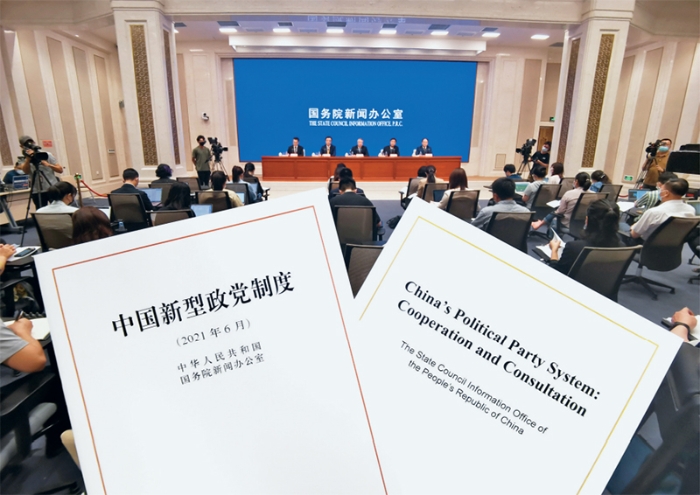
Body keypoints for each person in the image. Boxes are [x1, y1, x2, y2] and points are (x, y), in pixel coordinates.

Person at [548, 199, 622, 274]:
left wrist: (554, 250)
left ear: (587, 220)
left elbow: (556, 274)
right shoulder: (622, 247)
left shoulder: (574, 248)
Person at [630, 178, 695, 240]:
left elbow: (634, 235)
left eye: (661, 190)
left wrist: (633, 227)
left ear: (666, 193)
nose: (659, 192)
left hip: (645, 244)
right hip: (674, 246)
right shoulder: (691, 210)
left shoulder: (653, 212)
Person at [19, 135, 63, 209]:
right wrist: (28, 159)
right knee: (41, 211)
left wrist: (49, 165)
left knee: (58, 209)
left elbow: (60, 169)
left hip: (51, 188)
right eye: (26, 144)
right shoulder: (23, 158)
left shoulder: (46, 154)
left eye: (31, 142)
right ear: (21, 146)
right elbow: (26, 171)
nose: (29, 145)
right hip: (37, 190)